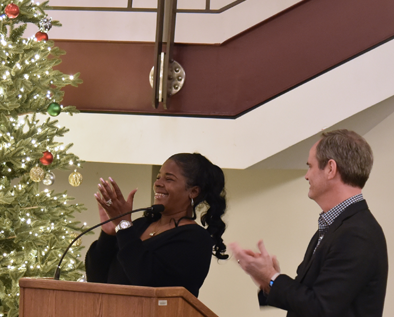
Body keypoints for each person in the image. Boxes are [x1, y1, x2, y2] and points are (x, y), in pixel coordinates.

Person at [230, 129, 388, 317]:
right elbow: (309, 297)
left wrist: (271, 277)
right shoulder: (337, 226)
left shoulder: (356, 233)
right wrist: (267, 280)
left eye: (310, 166)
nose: (307, 176)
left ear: (330, 169)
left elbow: (320, 308)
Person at [85, 153, 228, 297]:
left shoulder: (196, 238)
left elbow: (148, 282)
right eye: (158, 177)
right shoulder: (140, 225)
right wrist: (108, 234)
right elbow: (96, 279)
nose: (158, 183)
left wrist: (124, 227)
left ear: (193, 191)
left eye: (169, 179)